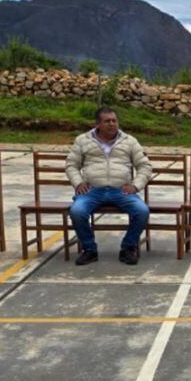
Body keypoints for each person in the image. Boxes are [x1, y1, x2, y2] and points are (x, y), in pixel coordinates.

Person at [64, 107, 153, 266]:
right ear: (98, 123)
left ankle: (128, 248)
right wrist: (78, 183)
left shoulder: (129, 141)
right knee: (77, 212)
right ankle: (89, 250)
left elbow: (145, 166)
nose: (112, 124)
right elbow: (71, 165)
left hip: (122, 191)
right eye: (107, 121)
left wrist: (136, 186)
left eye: (114, 121)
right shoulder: (83, 140)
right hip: (92, 191)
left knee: (142, 211)